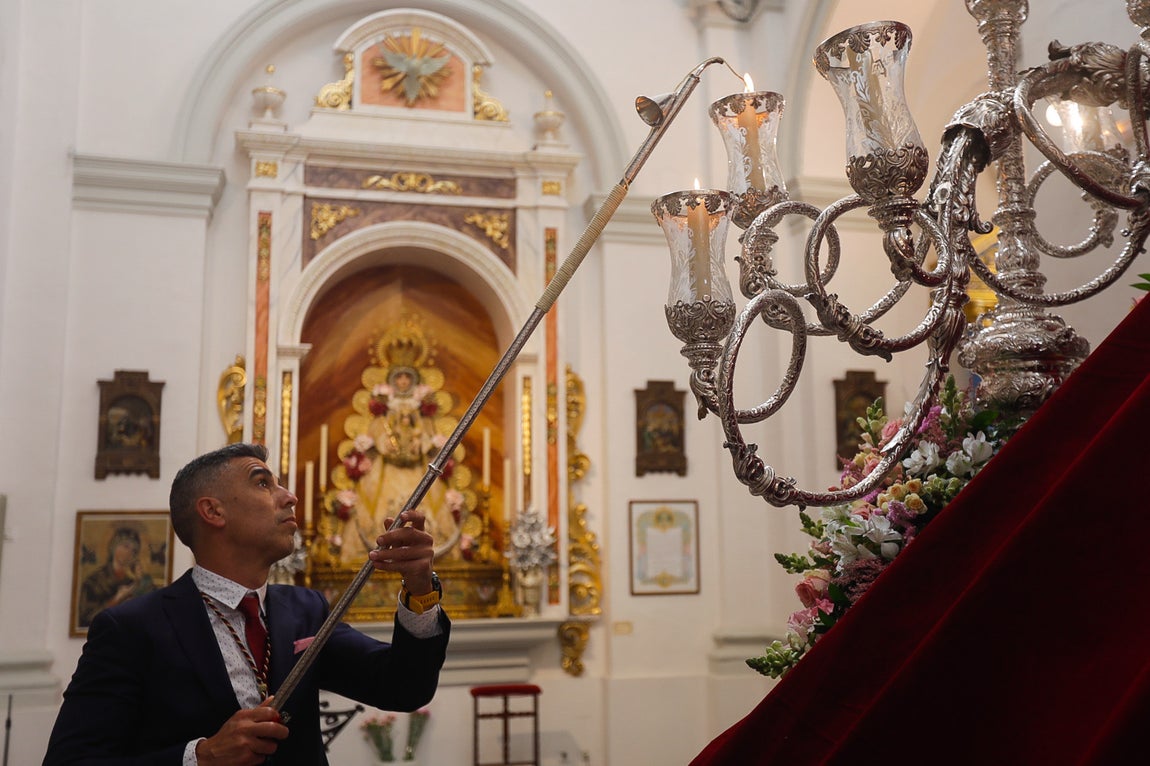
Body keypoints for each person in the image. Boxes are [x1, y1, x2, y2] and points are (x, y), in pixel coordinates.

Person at [44, 442, 450, 765]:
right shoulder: (131, 629)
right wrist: (199, 757)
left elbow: (403, 687)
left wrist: (419, 591)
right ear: (212, 511)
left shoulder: (304, 610)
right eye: (262, 483)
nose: (290, 497)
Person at [75, 526, 157, 628]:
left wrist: (140, 583)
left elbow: (155, 610)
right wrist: (116, 599)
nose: (129, 553)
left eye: (134, 550)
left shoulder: (137, 580)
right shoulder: (94, 581)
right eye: (125, 546)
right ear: (114, 547)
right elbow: (86, 619)